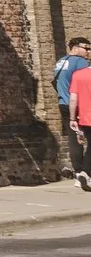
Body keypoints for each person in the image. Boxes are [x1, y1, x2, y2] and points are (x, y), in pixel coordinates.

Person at [57, 37, 91, 192]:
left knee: (73, 138)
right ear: (75, 48)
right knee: (83, 139)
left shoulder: (61, 62)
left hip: (63, 103)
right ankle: (84, 172)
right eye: (86, 48)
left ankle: (78, 172)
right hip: (77, 105)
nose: (88, 52)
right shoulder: (80, 62)